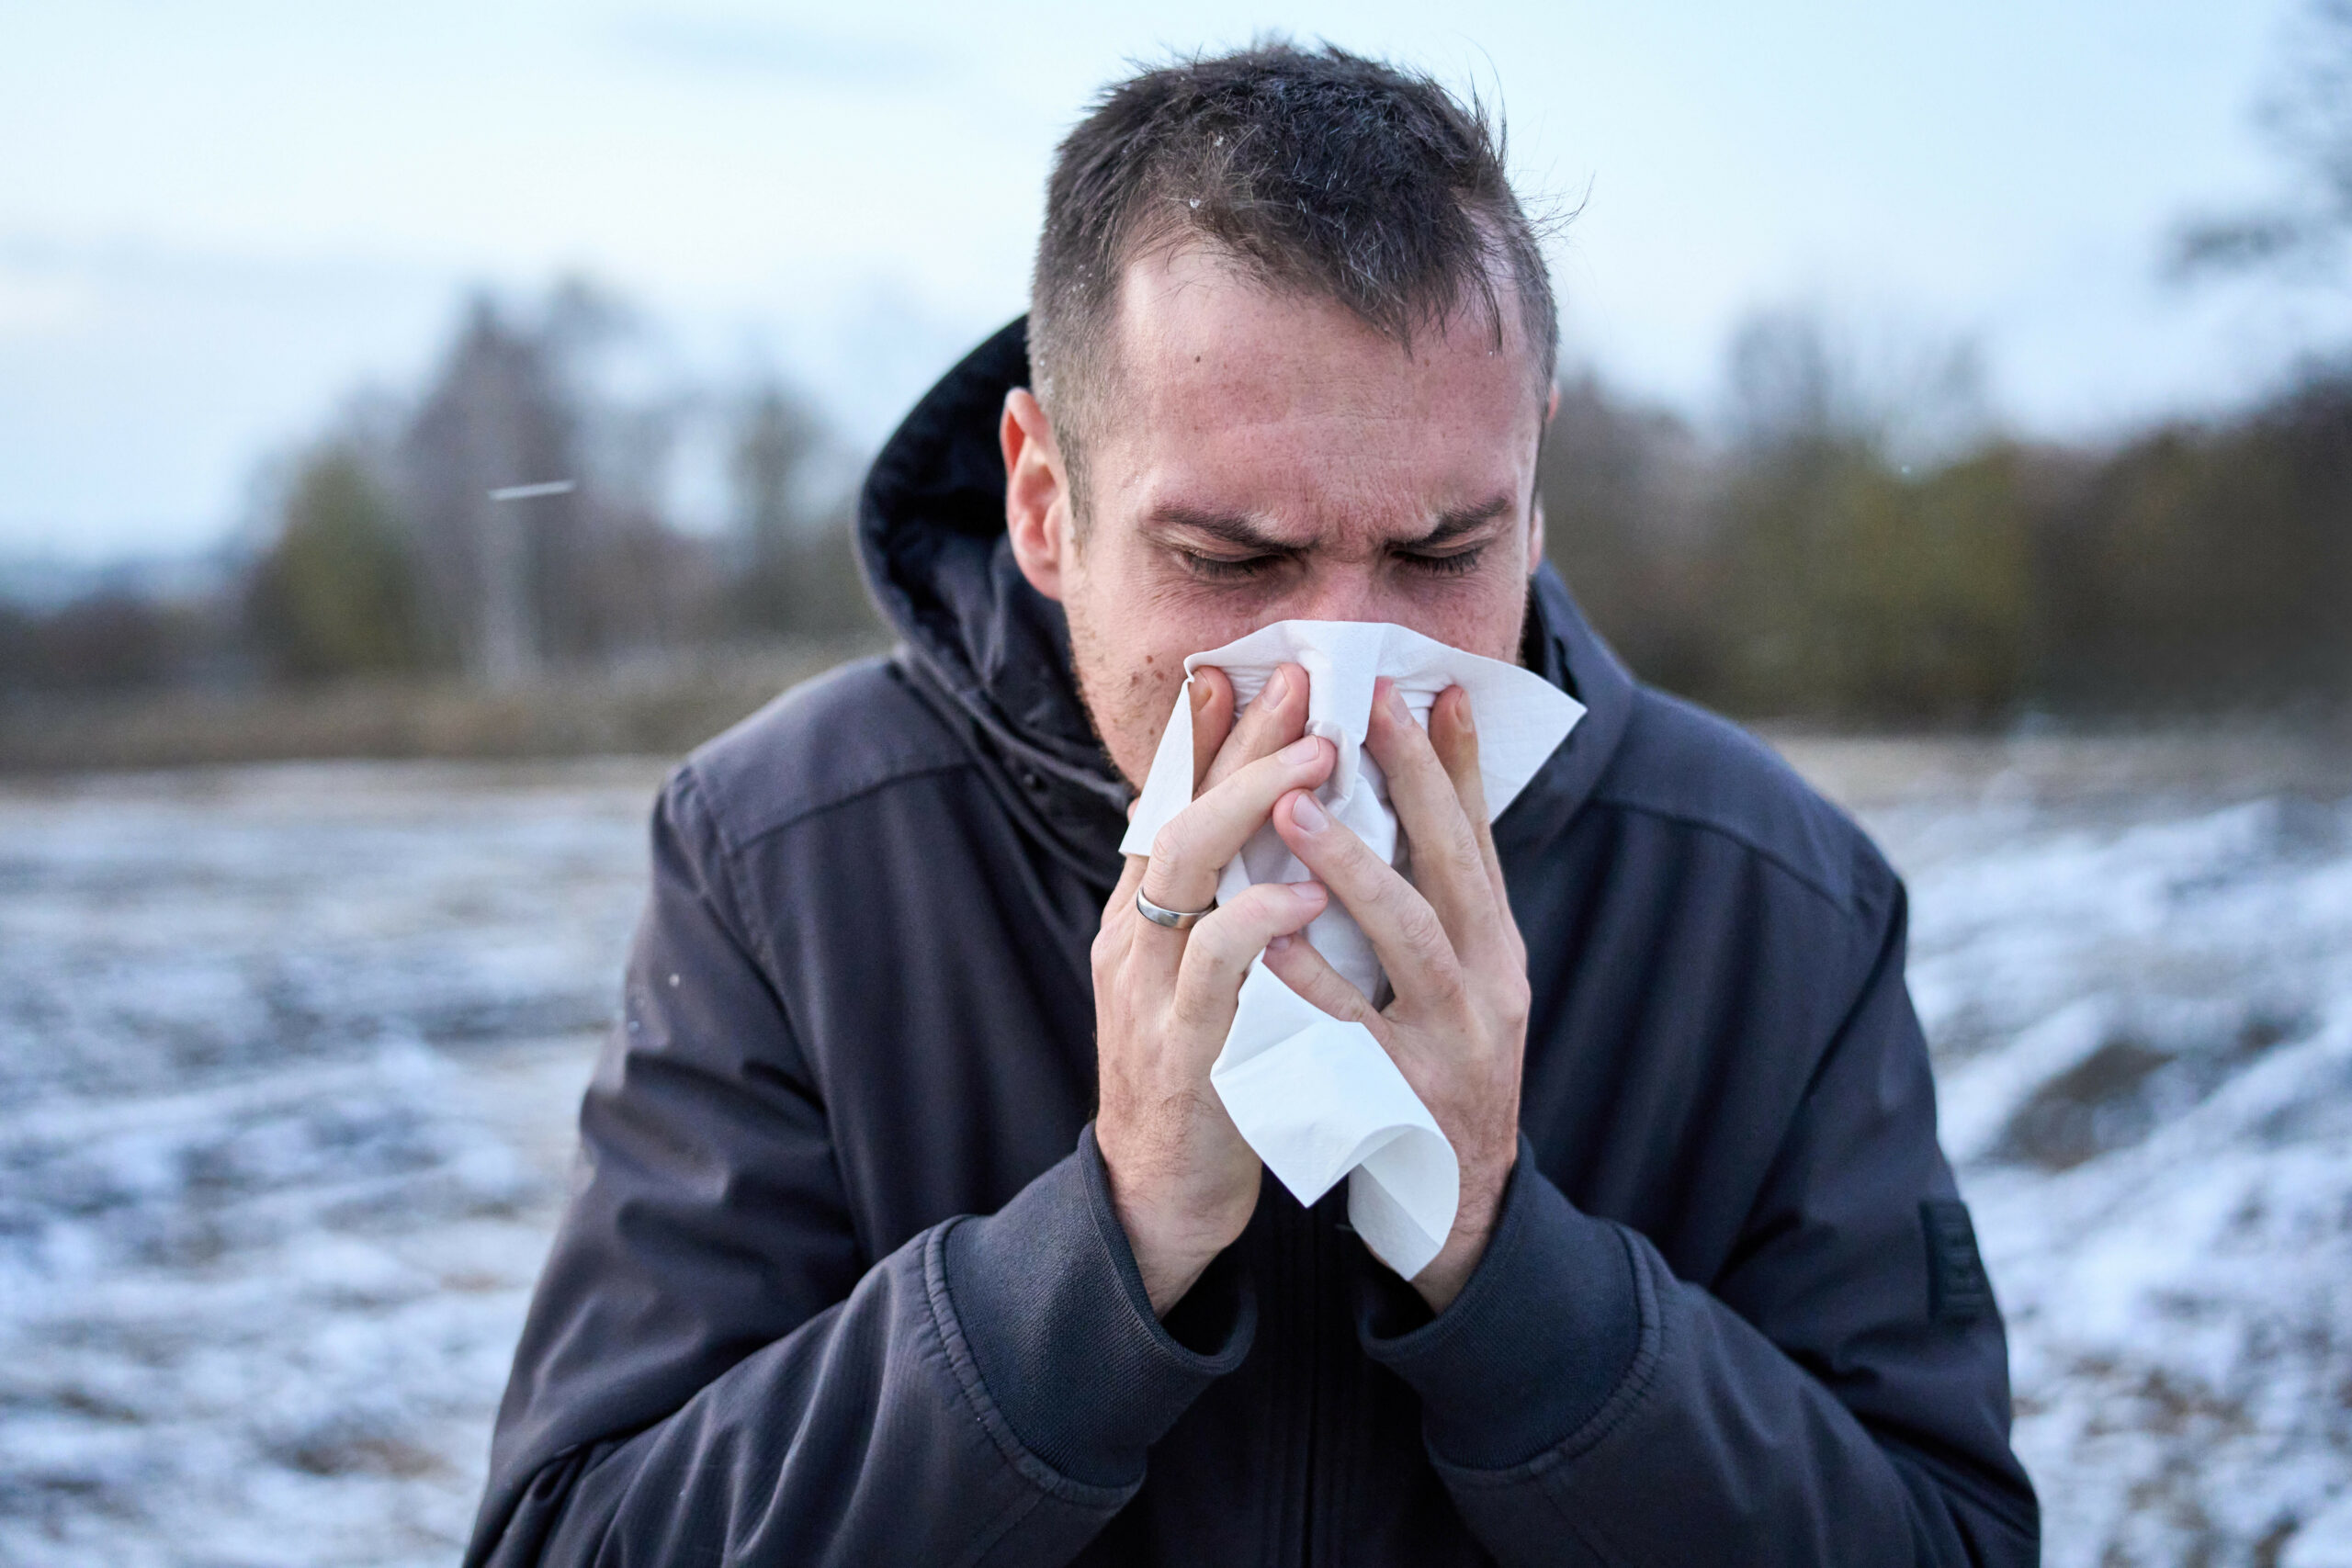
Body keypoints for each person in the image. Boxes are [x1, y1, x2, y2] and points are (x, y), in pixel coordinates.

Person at [465, 43, 2037, 1567]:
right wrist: (1099, 1257)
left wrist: (1505, 1264)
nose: (1341, 678)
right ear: (1044, 502)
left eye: (1441, 552)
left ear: (1534, 493)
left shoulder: (1776, 896)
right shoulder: (786, 858)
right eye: (1232, 560)